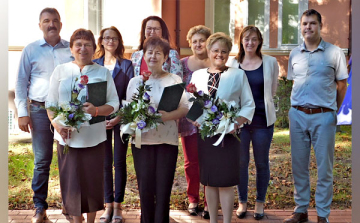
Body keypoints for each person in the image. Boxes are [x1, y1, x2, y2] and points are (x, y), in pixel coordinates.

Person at [46, 29, 119, 223]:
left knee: (92, 184)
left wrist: (96, 110)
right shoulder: (60, 71)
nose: (82, 48)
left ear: (95, 49)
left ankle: (91, 221)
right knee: (71, 185)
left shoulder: (102, 72)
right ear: (71, 48)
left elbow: (114, 103)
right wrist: (57, 126)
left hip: (93, 138)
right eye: (78, 44)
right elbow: (50, 104)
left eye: (87, 44)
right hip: (67, 138)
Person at [283, 9, 347, 223]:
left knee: (324, 168)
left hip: (323, 116)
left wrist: (332, 111)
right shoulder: (294, 53)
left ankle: (322, 215)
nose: (308, 27)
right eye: (304, 24)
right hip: (298, 115)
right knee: (299, 166)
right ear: (300, 27)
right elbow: (295, 82)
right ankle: (300, 210)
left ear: (320, 26)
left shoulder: (335, 52)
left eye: (312, 23)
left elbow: (341, 85)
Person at [14, 8, 73, 223]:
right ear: (40, 25)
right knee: (41, 162)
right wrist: (22, 113)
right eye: (46, 21)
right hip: (39, 110)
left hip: (67, 111)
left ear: (60, 24)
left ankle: (70, 205)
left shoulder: (70, 49)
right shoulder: (31, 50)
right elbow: (21, 82)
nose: (51, 24)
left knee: (68, 159)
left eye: (55, 20)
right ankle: (40, 207)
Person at [190, 32, 255, 223]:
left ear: (229, 54)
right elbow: (190, 102)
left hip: (229, 136)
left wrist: (236, 123)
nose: (219, 54)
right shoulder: (198, 75)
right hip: (206, 135)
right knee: (209, 180)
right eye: (216, 50)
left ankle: (226, 221)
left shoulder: (238, 74)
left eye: (224, 51)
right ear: (209, 52)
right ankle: (213, 220)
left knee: (226, 181)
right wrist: (194, 118)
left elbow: (248, 104)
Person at [126, 36, 188, 223]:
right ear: (143, 56)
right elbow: (128, 111)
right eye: (149, 52)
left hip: (167, 141)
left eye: (158, 53)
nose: (153, 56)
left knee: (163, 189)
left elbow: (184, 108)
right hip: (142, 142)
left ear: (166, 57)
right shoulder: (135, 82)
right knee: (145, 188)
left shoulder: (174, 79)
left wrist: (164, 116)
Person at [227, 25, 279, 220]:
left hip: (262, 121)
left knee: (261, 163)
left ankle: (259, 202)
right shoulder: (233, 63)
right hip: (239, 122)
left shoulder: (270, 62)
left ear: (259, 42)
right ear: (241, 41)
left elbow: (271, 90)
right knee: (241, 163)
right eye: (246, 39)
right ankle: (242, 202)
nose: (250, 42)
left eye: (254, 39)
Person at [93, 26, 134, 223]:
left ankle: (118, 206)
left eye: (114, 38)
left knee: (119, 162)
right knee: (104, 163)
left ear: (119, 42)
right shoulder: (94, 65)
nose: (110, 41)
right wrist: (100, 115)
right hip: (99, 119)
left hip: (120, 119)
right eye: (107, 38)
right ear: (101, 41)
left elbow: (129, 96)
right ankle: (107, 206)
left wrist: (119, 117)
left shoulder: (127, 65)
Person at [178, 25, 211, 218]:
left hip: (210, 119)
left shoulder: (215, 62)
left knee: (208, 160)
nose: (198, 44)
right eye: (194, 41)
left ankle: (209, 201)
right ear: (190, 44)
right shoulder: (182, 64)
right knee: (191, 162)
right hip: (188, 119)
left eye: (202, 40)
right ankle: (193, 199)